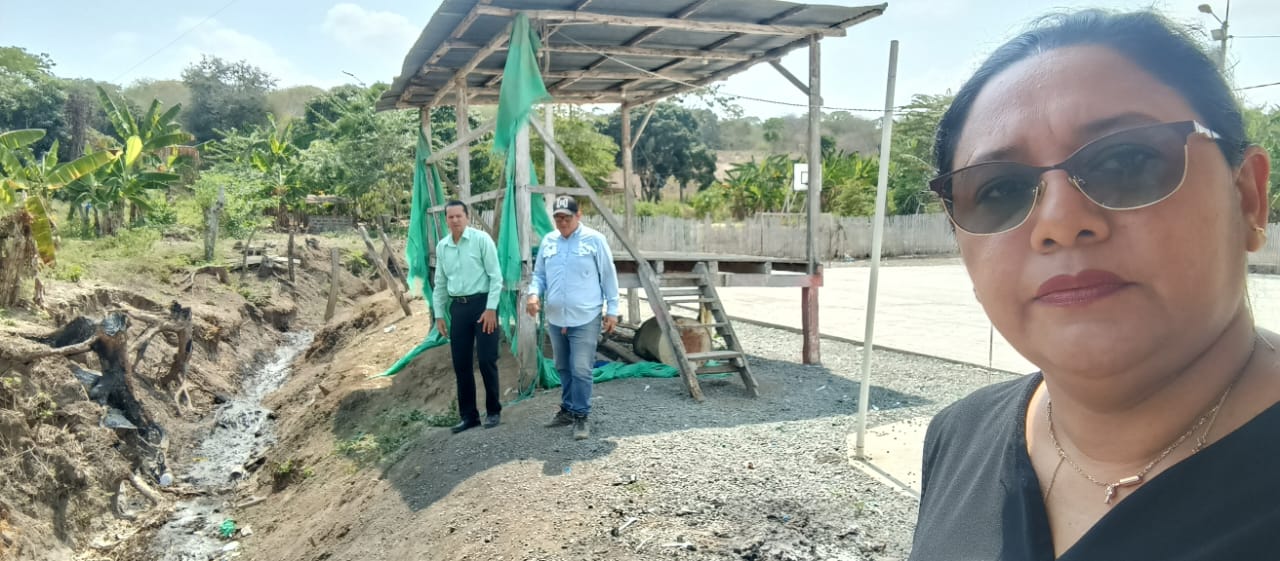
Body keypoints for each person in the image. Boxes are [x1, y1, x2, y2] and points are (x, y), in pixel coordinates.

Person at [911, 9, 1278, 560]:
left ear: (1248, 197)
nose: (1060, 223)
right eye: (1000, 190)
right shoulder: (959, 439)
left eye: (1126, 160)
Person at [526, 195, 620, 440]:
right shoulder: (549, 241)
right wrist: (534, 294)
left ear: (578, 215)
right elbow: (539, 275)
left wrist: (612, 310)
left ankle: (581, 415)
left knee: (581, 368)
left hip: (585, 316)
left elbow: (608, 276)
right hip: (557, 317)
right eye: (558, 218)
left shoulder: (595, 240)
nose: (562, 222)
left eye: (567, 217)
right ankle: (567, 409)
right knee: (563, 366)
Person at [433, 201, 504, 434]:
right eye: (451, 217)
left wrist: (491, 308)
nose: (455, 220)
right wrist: (439, 314)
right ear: (446, 220)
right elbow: (440, 283)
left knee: (486, 359)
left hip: (483, 306)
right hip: (459, 308)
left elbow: (496, 277)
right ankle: (469, 416)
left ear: (467, 217)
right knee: (461, 363)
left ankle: (493, 411)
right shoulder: (443, 247)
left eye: (459, 216)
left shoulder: (481, 240)